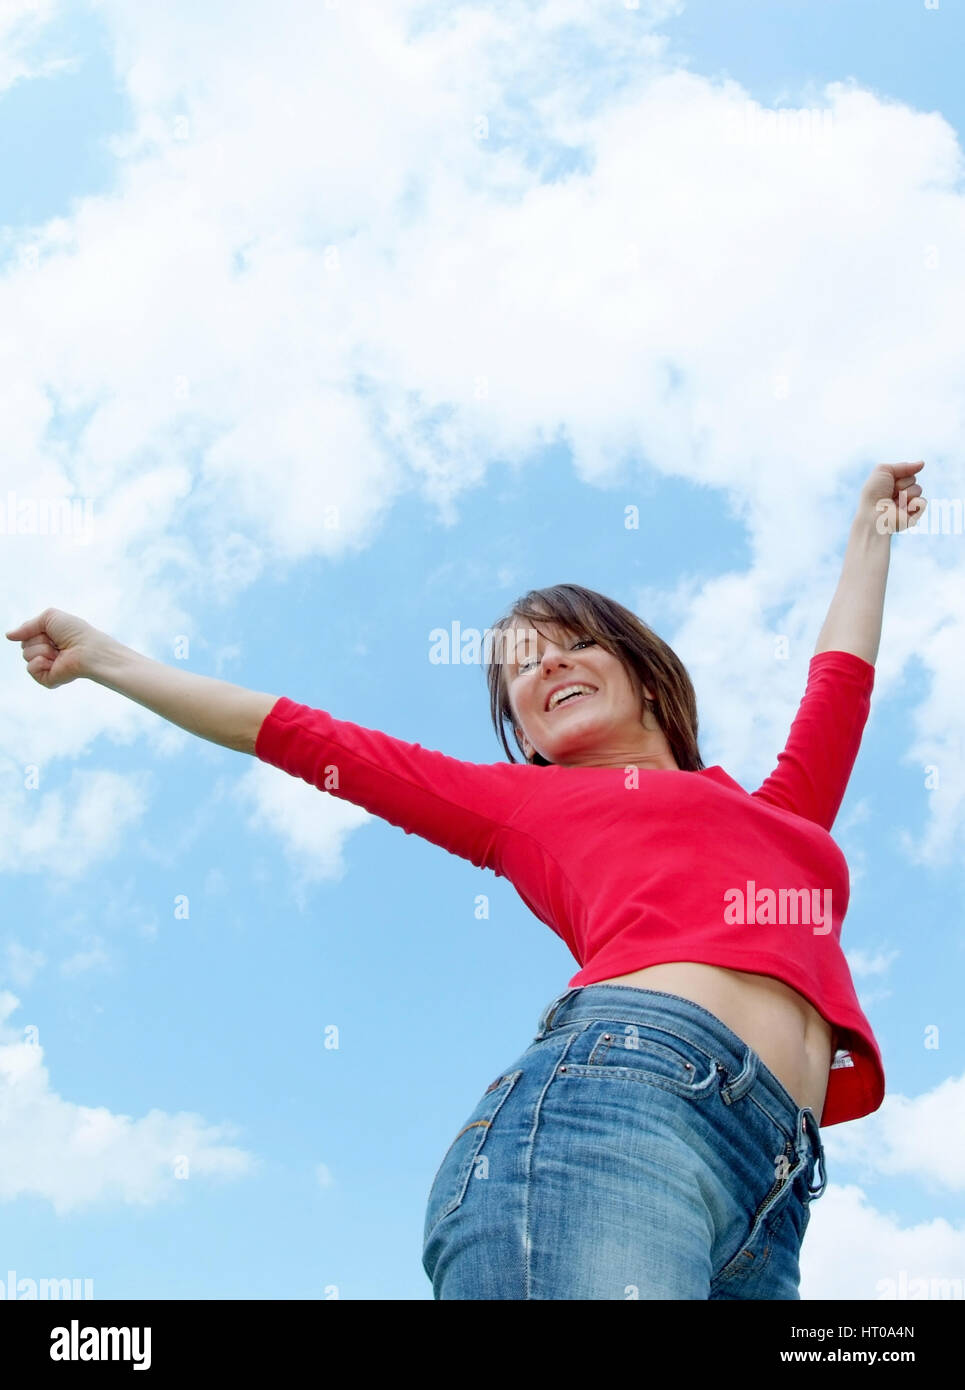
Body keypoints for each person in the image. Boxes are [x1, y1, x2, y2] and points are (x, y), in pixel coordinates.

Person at [5, 461, 926, 1300]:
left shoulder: (781, 813)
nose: (547, 662)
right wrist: (104, 660)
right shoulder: (521, 804)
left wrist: (869, 529)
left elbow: (838, 679)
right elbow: (302, 735)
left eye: (573, 643)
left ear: (646, 679)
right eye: (521, 666)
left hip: (774, 1184)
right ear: (525, 735)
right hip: (621, 1106)